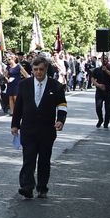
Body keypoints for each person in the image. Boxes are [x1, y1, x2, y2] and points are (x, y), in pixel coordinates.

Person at [11, 56, 68, 199]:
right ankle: (27, 187)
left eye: (41, 69)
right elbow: (18, 107)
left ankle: (42, 187)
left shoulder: (56, 86)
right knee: (28, 159)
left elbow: (62, 105)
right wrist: (15, 125)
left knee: (44, 160)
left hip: (47, 130)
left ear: (46, 69)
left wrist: (60, 120)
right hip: (28, 129)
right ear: (32, 70)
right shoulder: (24, 85)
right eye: (35, 70)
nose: (38, 72)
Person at [91, 55, 110, 128]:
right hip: (99, 91)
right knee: (98, 107)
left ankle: (106, 122)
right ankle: (100, 119)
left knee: (108, 108)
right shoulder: (97, 70)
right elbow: (92, 79)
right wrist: (98, 85)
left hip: (109, 91)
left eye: (106, 59)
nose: (104, 60)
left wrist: (106, 70)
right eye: (103, 59)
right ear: (101, 60)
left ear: (108, 60)